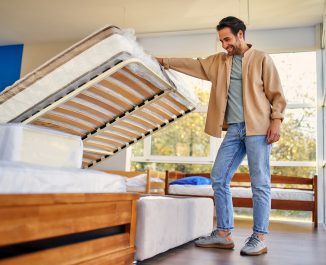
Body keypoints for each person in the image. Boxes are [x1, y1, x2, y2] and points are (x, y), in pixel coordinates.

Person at [156, 16, 286, 256]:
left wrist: (276, 120)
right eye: (221, 41)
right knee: (218, 177)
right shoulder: (218, 62)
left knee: (259, 183)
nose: (224, 44)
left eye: (227, 39)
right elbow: (193, 64)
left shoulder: (261, 59)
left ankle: (259, 237)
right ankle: (224, 233)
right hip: (235, 129)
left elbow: (276, 94)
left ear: (240, 34)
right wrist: (163, 61)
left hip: (259, 128)